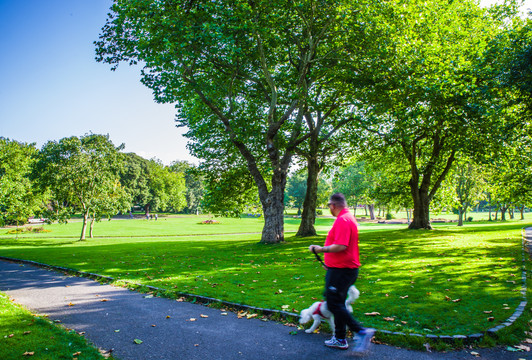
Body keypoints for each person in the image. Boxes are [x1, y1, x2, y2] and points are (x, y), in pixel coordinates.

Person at [308, 193, 375, 353]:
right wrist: (329, 264)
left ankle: (361, 332)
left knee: (333, 304)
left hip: (343, 270)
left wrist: (320, 249)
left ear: (333, 205)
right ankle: (339, 338)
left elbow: (341, 246)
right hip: (340, 268)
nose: (329, 208)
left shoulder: (343, 220)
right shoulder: (347, 217)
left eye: (329, 205)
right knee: (337, 303)